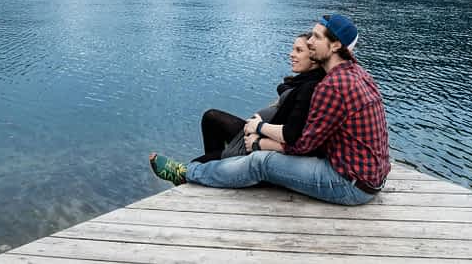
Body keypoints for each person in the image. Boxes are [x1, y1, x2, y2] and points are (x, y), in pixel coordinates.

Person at [150, 14, 390, 206]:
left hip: (348, 184)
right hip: (369, 177)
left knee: (261, 163)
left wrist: (259, 141)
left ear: (336, 45)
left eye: (316, 37)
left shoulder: (332, 86)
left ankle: (187, 174)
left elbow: (301, 145)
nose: (309, 42)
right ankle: (205, 173)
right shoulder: (357, 73)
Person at [191, 33, 325, 164]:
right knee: (211, 118)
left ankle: (219, 164)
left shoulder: (309, 87)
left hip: (259, 142)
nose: (291, 54)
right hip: (257, 133)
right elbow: (285, 89)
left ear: (313, 57)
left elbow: (292, 133)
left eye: (299, 50)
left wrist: (259, 128)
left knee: (197, 164)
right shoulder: (303, 82)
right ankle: (219, 165)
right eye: (293, 49)